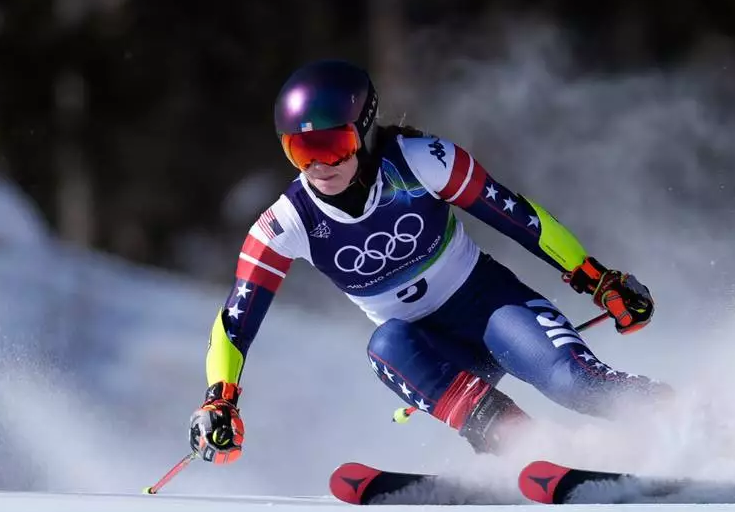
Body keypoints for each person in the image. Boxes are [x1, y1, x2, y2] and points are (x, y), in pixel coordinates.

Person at [188, 59, 665, 465]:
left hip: (492, 307)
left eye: (332, 146)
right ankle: (529, 447)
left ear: (364, 132)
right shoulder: (285, 222)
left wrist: (598, 280)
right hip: (431, 354)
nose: (319, 166)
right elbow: (236, 319)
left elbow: (519, 218)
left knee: (573, 383)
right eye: (300, 150)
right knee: (384, 345)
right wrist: (220, 399)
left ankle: (685, 415)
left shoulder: (423, 162)